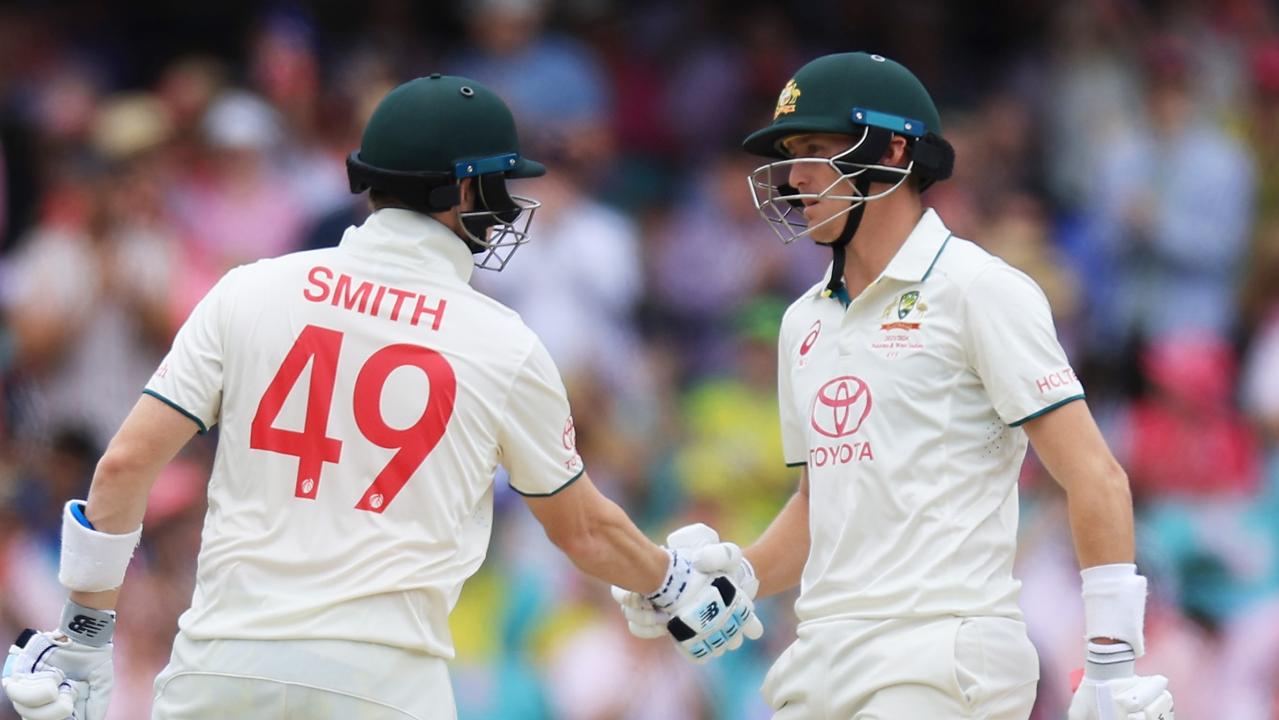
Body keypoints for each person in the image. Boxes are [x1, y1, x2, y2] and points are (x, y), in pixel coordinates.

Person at [0, 75, 761, 720]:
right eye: (500, 183)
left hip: (222, 672)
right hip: (383, 690)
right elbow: (585, 533)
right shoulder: (502, 343)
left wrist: (84, 637)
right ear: (464, 188)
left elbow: (123, 466)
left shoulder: (251, 290)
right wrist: (670, 584)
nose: (505, 204)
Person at [614, 52, 1175, 719]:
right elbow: (821, 505)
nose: (793, 177)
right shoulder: (802, 322)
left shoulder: (977, 289)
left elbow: (1094, 475)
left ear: (892, 150)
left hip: (942, 652)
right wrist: (736, 578)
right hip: (818, 656)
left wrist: (1111, 667)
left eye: (815, 150)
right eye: (789, 155)